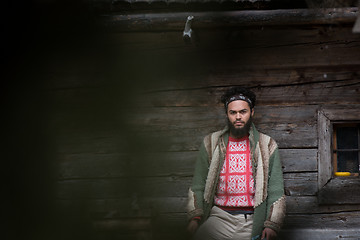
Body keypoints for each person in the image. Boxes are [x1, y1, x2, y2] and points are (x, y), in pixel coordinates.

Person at [186, 87, 286, 240]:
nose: (238, 117)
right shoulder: (211, 143)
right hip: (219, 218)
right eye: (233, 113)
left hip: (252, 220)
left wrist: (271, 224)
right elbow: (198, 185)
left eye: (243, 112)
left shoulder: (266, 145)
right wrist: (194, 218)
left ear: (252, 112)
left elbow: (276, 189)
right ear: (227, 114)